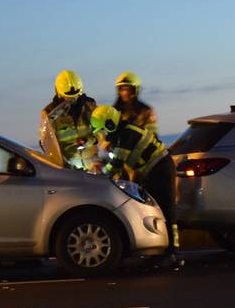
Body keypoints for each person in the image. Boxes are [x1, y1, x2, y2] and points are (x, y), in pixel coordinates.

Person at [90, 105, 178, 258]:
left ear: (110, 124)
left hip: (160, 168)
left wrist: (99, 176)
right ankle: (162, 249)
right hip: (155, 169)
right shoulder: (123, 132)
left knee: (164, 209)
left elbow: (117, 163)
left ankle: (172, 251)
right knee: (154, 208)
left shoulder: (126, 135)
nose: (103, 134)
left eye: (103, 130)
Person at [39, 70, 99, 171]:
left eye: (76, 95)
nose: (73, 99)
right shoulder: (49, 113)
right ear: (59, 93)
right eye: (68, 96)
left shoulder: (89, 105)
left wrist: (88, 141)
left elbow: (101, 132)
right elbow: (46, 144)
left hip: (93, 165)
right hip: (69, 169)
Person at [113, 71, 158, 136]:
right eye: (122, 89)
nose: (125, 92)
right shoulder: (112, 111)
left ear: (135, 90)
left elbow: (152, 135)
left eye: (128, 89)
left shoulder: (146, 111)